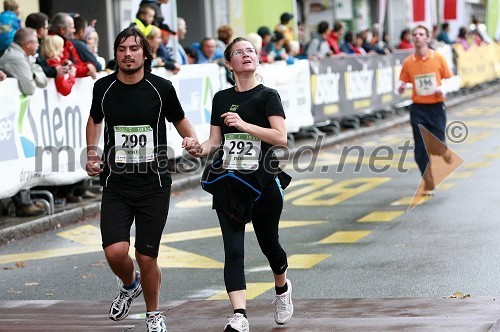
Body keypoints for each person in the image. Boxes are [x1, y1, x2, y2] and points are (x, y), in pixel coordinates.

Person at [85, 27, 200, 332]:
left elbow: (180, 119)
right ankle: (128, 284)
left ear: (145, 54)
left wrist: (191, 139)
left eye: (134, 49)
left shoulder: (161, 88)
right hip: (116, 183)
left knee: (146, 257)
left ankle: (153, 314)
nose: (127, 54)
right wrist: (91, 153)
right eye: (122, 49)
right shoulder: (103, 87)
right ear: (116, 53)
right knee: (114, 251)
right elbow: (95, 119)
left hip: (154, 185)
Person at [187, 36, 293, 332]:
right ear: (229, 63)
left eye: (250, 51)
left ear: (257, 59)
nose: (246, 55)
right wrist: (197, 147)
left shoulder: (267, 96)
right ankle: (239, 315)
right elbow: (214, 142)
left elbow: (280, 138)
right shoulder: (221, 98)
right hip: (231, 183)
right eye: (239, 52)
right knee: (233, 249)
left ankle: (282, 290)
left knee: (269, 245)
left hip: (262, 183)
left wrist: (244, 125)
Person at [398, 25, 453, 196]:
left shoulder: (438, 58)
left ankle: (443, 150)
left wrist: (441, 89)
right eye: (414, 34)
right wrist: (400, 87)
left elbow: (450, 80)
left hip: (436, 106)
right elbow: (402, 82)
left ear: (428, 38)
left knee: (436, 144)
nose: (417, 37)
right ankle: (429, 183)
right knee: (421, 148)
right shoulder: (408, 62)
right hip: (418, 108)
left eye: (421, 34)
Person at [0, 27, 47, 95]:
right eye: (36, 41)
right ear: (28, 44)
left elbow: (44, 82)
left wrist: (33, 75)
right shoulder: (16, 58)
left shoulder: (28, 56)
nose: (38, 45)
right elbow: (30, 89)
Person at [49, 12, 98, 79]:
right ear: (62, 30)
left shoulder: (68, 42)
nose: (74, 30)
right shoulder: (51, 43)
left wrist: (88, 65)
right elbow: (65, 68)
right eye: (72, 27)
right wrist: (86, 69)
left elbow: (76, 62)